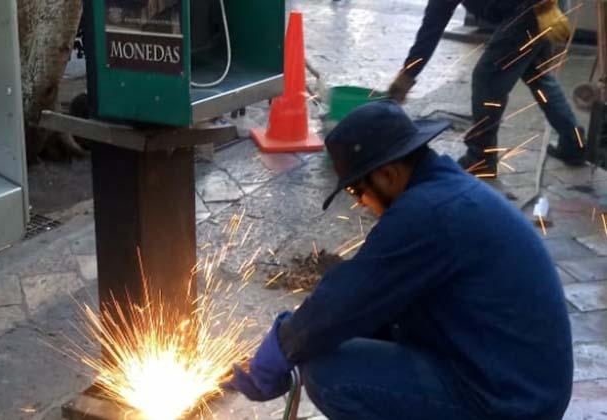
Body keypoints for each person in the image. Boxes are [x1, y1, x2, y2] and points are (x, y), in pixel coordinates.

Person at [227, 100, 573, 420]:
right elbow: (371, 303)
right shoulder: (445, 192)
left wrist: (284, 346)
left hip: (509, 403)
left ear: (388, 175)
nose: (360, 202)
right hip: (517, 384)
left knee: (330, 374)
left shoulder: (427, 214)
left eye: (356, 190)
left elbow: (346, 300)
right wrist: (300, 340)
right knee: (355, 335)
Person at [389, 0, 585, 177]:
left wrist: (406, 77)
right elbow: (433, 26)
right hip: (539, 10)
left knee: (487, 78)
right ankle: (573, 142)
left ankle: (481, 156)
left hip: (527, 11)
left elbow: (430, 30)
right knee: (539, 77)